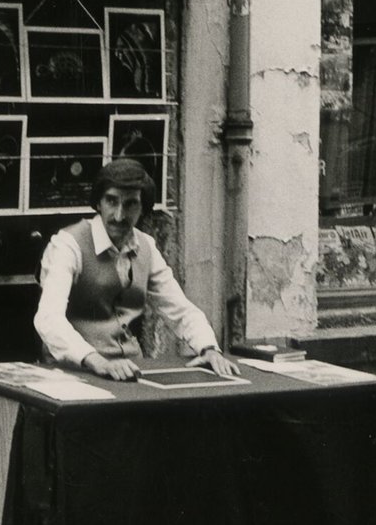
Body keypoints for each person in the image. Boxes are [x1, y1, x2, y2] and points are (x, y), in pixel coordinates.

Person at [34, 158, 240, 381]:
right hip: (74, 373)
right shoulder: (68, 244)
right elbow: (48, 319)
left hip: (131, 371)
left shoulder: (146, 247)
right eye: (111, 201)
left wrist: (209, 349)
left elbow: (180, 310)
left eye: (130, 204)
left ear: (143, 208)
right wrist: (97, 361)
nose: (119, 215)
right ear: (98, 203)